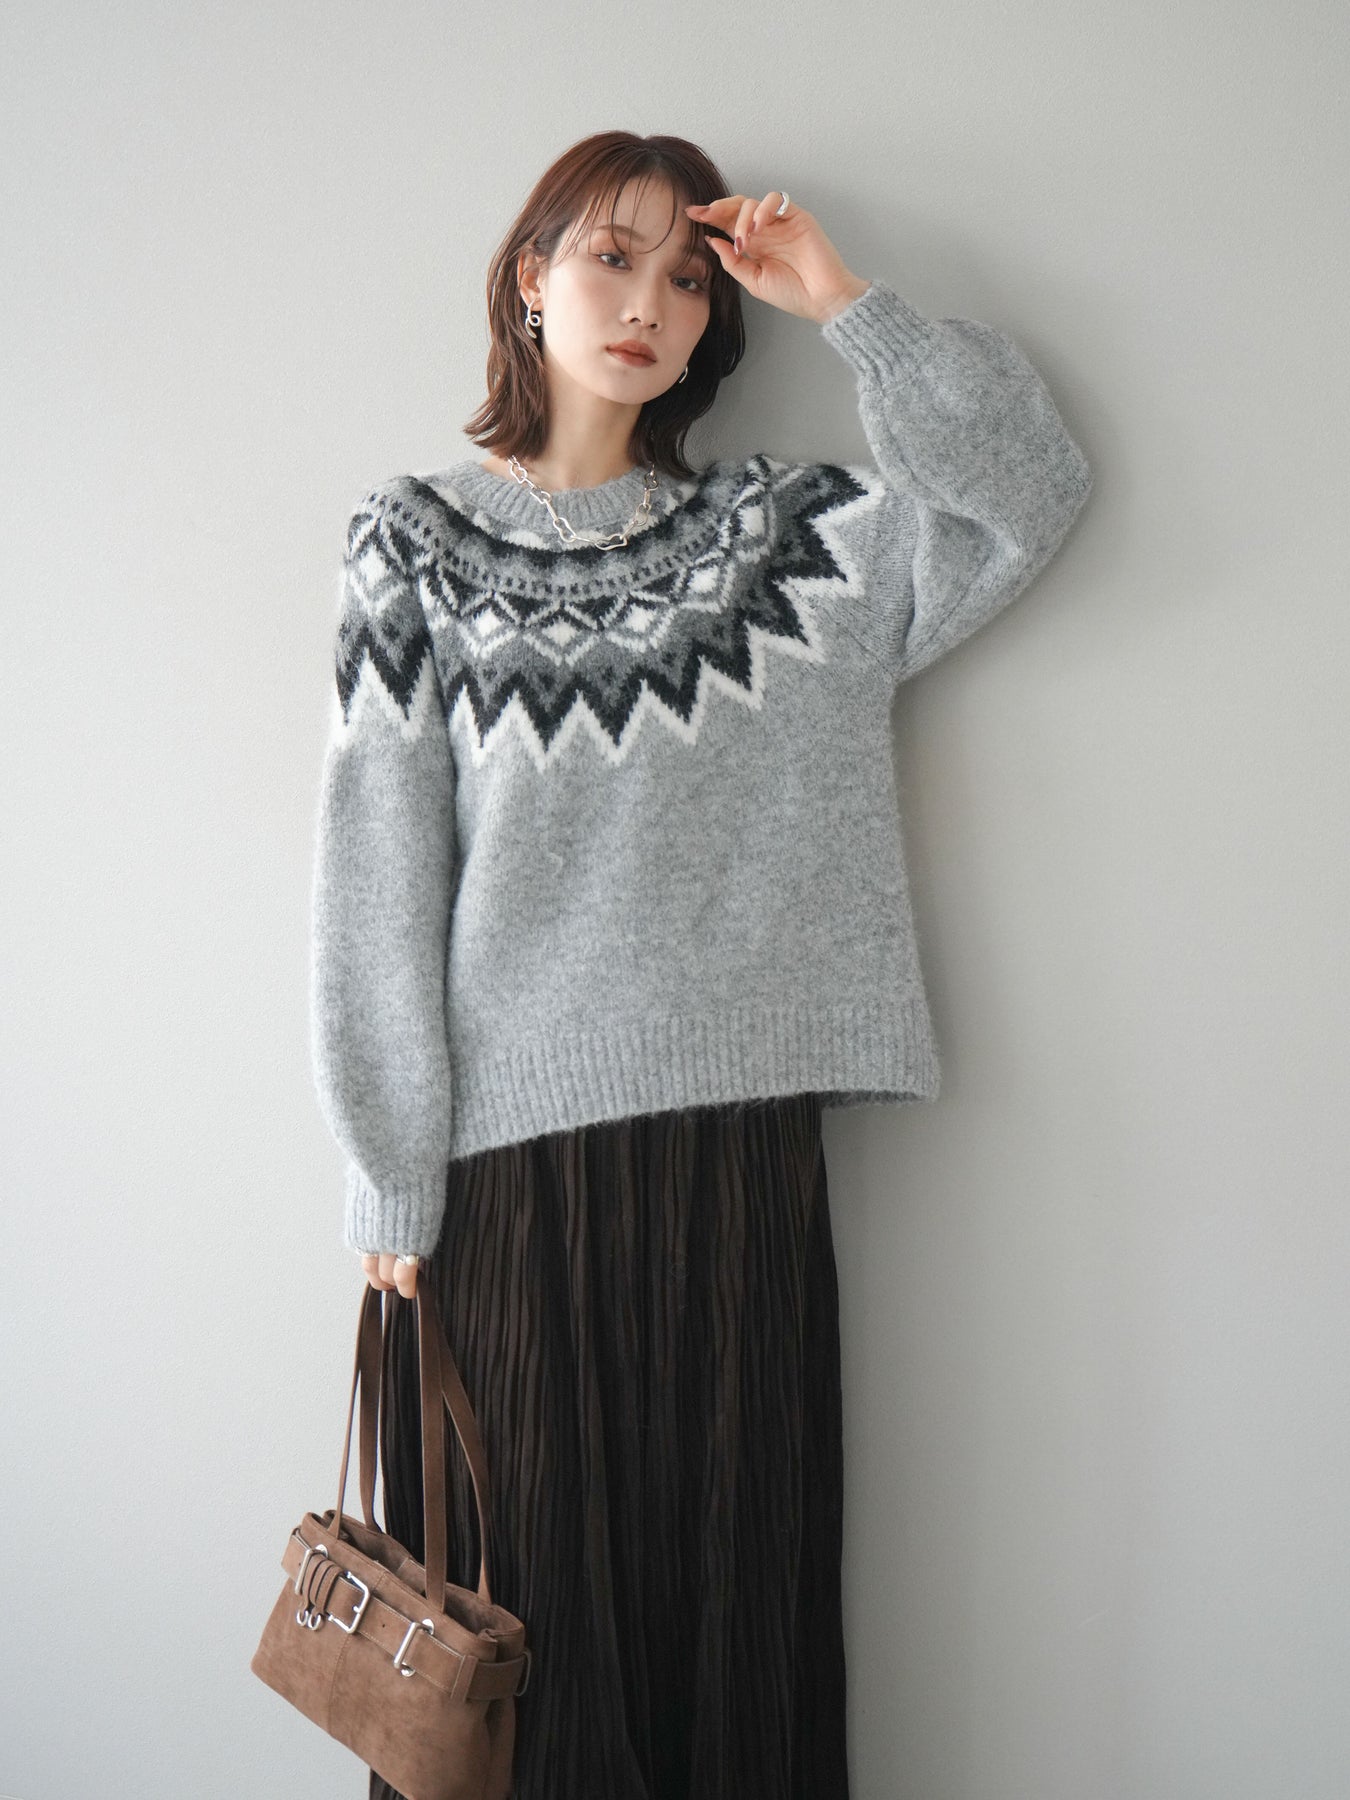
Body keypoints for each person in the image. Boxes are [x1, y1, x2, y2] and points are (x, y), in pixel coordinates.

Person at [308, 130, 1092, 1800]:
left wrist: (846, 303)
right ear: (529, 279)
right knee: (518, 1638)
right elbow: (377, 864)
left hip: (737, 1150)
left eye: (685, 277)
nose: (648, 302)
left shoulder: (790, 545)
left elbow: (1028, 491)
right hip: (501, 1171)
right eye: (610, 256)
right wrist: (388, 1176)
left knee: (738, 1613)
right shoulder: (413, 540)